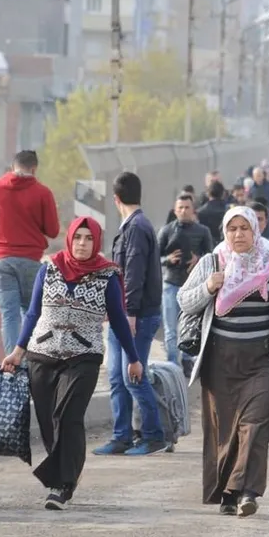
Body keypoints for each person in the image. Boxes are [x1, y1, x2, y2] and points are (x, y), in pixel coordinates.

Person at [177, 206, 269, 517]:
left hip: (263, 362)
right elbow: (183, 300)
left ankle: (248, 491)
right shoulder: (212, 262)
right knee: (224, 431)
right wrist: (209, 287)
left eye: (244, 228)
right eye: (232, 229)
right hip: (220, 362)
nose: (238, 234)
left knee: (255, 426)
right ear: (225, 232)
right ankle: (228, 492)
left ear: (255, 230)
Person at [2, 217, 142, 510]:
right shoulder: (49, 268)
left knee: (68, 416)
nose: (82, 243)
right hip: (42, 354)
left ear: (96, 243)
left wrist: (133, 358)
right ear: (70, 239)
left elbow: (118, 320)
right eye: (78, 237)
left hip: (84, 356)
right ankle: (61, 475)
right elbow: (32, 312)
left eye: (88, 238)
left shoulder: (107, 276)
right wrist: (18, 351)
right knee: (48, 420)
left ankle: (63, 485)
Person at [92, 172, 167, 456]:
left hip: (136, 315)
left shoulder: (136, 227)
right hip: (121, 314)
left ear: (116, 199)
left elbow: (133, 274)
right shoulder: (133, 226)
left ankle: (154, 436)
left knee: (132, 376)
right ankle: (121, 436)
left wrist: (130, 313)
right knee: (116, 376)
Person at [0, 150, 60, 354]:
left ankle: (12, 362)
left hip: (3, 261)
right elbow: (53, 230)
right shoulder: (43, 193)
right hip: (31, 261)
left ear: (12, 167)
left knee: (9, 315)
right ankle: (32, 359)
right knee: (31, 313)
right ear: (34, 169)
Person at [157, 194, 214, 375]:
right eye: (180, 208)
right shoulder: (166, 231)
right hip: (170, 284)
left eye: (187, 207)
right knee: (170, 330)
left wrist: (199, 260)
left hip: (193, 287)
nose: (183, 211)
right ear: (175, 210)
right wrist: (168, 259)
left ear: (193, 209)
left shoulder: (203, 231)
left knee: (189, 326)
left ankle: (188, 360)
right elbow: (154, 258)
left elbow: (212, 256)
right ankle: (172, 364)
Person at [198, 181, 229, 247]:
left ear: (208, 193)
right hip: (225, 245)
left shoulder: (201, 212)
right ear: (223, 193)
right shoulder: (229, 211)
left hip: (207, 245)